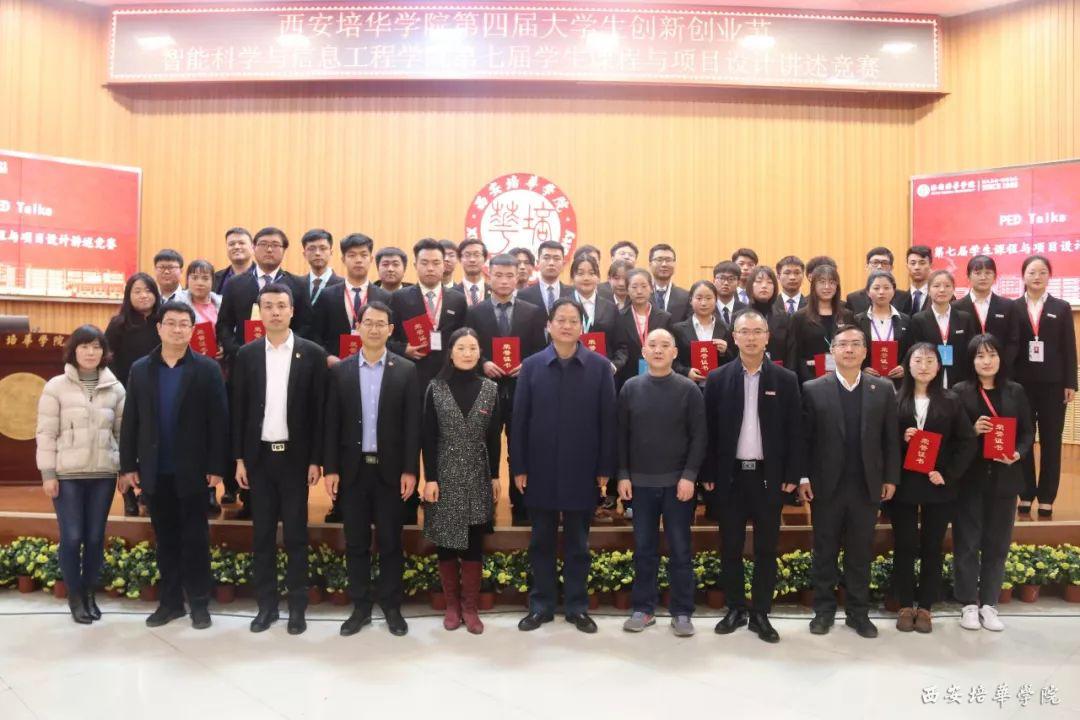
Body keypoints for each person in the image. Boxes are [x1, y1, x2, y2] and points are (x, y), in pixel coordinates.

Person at [118, 301, 228, 630]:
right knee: (165, 540)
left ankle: (199, 603)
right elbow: (131, 421)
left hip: (193, 470)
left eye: (184, 324)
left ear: (192, 331)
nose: (177, 329)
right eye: (171, 323)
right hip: (155, 470)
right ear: (159, 328)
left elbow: (219, 422)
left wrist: (216, 466)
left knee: (195, 539)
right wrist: (128, 465)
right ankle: (170, 604)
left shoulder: (207, 369)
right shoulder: (140, 369)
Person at [512, 298, 616, 634]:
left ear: (582, 327)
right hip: (539, 468)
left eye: (573, 320)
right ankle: (540, 606)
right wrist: (519, 466)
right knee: (540, 541)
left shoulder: (599, 367)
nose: (567, 326)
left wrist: (604, 468)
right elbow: (519, 420)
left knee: (578, 544)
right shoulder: (531, 366)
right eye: (561, 319)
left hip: (582, 468)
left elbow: (608, 421)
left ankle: (576, 607)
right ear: (549, 325)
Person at [231, 284, 327, 635]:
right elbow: (239, 410)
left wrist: (316, 459)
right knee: (262, 537)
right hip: (258, 459)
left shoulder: (312, 353)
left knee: (297, 536)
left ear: (292, 311)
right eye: (268, 306)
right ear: (260, 312)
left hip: (295, 460)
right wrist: (239, 458)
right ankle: (266, 607)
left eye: (281, 306)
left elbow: (319, 411)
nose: (275, 311)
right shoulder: (247, 354)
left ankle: (297, 609)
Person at [704, 309, 802, 643]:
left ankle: (760, 612)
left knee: (766, 548)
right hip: (730, 477)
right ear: (734, 337)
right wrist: (708, 472)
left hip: (768, 477)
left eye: (757, 331)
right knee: (730, 547)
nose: (750, 337)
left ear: (767, 337)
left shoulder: (785, 380)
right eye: (744, 331)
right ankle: (735, 608)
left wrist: (792, 473)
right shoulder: (718, 379)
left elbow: (795, 431)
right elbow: (708, 431)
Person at [324, 301, 419, 637]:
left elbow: (412, 426)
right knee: (356, 543)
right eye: (368, 322)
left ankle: (392, 606)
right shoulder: (341, 371)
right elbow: (331, 424)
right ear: (358, 327)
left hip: (391, 472)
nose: (374, 329)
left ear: (391, 330)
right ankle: (361, 607)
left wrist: (411, 470)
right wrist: (331, 468)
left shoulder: (406, 370)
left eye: (381, 324)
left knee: (391, 541)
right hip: (352, 472)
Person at [800, 325, 899, 639]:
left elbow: (890, 439)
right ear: (832, 351)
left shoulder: (883, 389)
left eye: (856, 344)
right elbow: (804, 440)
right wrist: (803, 477)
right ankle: (823, 612)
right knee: (824, 551)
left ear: (866, 351)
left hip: (866, 486)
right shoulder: (813, 388)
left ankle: (859, 614)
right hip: (826, 486)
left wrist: (890, 477)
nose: (849, 350)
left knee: (860, 553)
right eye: (843, 344)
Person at [35, 325, 125, 624]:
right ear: (73, 350)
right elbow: (46, 432)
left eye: (96, 346)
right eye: (84, 346)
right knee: (72, 537)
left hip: (103, 474)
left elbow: (123, 434)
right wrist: (48, 473)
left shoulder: (116, 388)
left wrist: (124, 469)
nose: (90, 352)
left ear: (104, 352)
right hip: (67, 475)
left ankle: (89, 593)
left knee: (95, 538)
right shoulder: (56, 386)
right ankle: (74, 596)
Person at [618, 329, 706, 637]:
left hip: (678, 485)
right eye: (652, 345)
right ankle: (643, 609)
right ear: (644, 352)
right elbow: (621, 436)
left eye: (665, 345)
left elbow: (699, 436)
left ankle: (682, 612)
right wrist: (623, 474)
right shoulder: (630, 388)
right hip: (640, 484)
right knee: (644, 549)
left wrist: (689, 476)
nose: (658, 350)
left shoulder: (688, 389)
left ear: (674, 353)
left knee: (680, 549)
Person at [891, 343, 977, 634]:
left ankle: (926, 606)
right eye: (918, 360)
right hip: (903, 484)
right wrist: (902, 437)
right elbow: (882, 441)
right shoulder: (895, 399)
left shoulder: (951, 400)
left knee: (932, 546)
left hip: (937, 483)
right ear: (907, 365)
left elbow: (967, 441)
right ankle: (905, 604)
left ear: (939, 366)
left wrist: (948, 474)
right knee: (904, 544)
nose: (924, 366)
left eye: (930, 361)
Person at [422, 328, 502, 634]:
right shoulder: (435, 388)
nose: (467, 353)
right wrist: (430, 478)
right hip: (444, 473)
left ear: (480, 353)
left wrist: (495, 475)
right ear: (451, 353)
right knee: (446, 541)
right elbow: (428, 437)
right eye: (461, 348)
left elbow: (494, 437)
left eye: (473, 348)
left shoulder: (490, 389)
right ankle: (452, 606)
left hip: (478, 472)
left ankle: (470, 607)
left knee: (473, 541)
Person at [953, 334, 1034, 632]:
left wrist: (1018, 453)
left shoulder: (1016, 391)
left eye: (992, 355)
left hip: (1005, 477)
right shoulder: (960, 392)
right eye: (980, 356)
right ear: (971, 361)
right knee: (967, 541)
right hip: (970, 478)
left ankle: (989, 604)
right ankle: (967, 604)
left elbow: (1027, 432)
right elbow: (951, 435)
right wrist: (972, 430)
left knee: (997, 543)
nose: (986, 361)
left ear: (1001, 358)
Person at [388, 238, 468, 523]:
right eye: (425, 263)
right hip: (409, 382)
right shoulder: (400, 298)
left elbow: (464, 341)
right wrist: (404, 350)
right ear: (415, 265)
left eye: (436, 262)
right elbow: (388, 338)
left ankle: (440, 506)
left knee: (442, 445)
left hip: (446, 384)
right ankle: (406, 505)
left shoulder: (457, 300)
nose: (431, 268)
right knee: (408, 442)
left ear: (445, 265)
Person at [465, 254, 546, 525]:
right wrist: (483, 363)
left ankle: (521, 504)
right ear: (489, 276)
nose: (504, 281)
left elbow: (540, 349)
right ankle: (482, 505)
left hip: (522, 389)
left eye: (509, 276)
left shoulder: (532, 311)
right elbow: (468, 347)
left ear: (518, 277)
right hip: (485, 388)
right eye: (498, 275)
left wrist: (527, 364)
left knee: (520, 445)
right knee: (483, 446)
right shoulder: (475, 312)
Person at [1010, 255, 1077, 517]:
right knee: (1023, 439)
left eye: (1042, 272)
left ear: (1049, 276)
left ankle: (1047, 497)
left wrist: (1070, 382)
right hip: (1021, 385)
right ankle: (1025, 494)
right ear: (1023, 276)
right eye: (1031, 272)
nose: (1036, 277)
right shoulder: (1013, 307)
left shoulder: (1061, 307)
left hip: (1053, 385)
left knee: (1051, 440)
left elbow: (1069, 347)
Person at [105, 272, 161, 517]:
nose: (143, 295)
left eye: (148, 290)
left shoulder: (163, 321)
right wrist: (120, 388)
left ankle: (147, 490)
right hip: (125, 392)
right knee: (127, 442)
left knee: (151, 443)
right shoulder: (118, 324)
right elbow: (108, 359)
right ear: (128, 296)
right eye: (137, 291)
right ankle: (128, 494)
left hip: (158, 393)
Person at [216, 226, 312, 362]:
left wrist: (285, 346)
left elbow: (305, 325)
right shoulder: (235, 283)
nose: (269, 249)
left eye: (275, 245)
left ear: (284, 250)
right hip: (242, 358)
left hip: (285, 357)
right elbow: (224, 324)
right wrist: (236, 350)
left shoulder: (298, 284)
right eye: (263, 244)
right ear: (253, 248)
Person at [311, 233, 391, 366]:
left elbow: (390, 336)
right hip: (335, 366)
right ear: (343, 259)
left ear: (371, 259)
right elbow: (315, 334)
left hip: (373, 364)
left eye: (363, 255)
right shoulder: (327, 295)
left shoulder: (385, 297)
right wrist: (327, 357)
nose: (358, 260)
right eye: (352, 255)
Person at [908, 270, 979, 389]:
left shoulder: (965, 318)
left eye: (947, 286)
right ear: (929, 290)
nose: (942, 290)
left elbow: (971, 350)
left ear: (953, 289)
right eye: (936, 286)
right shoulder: (918, 319)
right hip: (929, 379)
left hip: (960, 379)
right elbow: (916, 351)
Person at [786, 264, 853, 384]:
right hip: (809, 379)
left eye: (832, 282)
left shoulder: (847, 316)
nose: (827, 287)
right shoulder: (799, 317)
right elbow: (793, 356)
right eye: (822, 282)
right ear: (814, 286)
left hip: (843, 377)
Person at [612, 269, 674, 392]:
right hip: (628, 378)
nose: (639, 291)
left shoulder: (664, 318)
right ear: (627, 290)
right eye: (634, 287)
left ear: (651, 288)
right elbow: (619, 348)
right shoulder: (619, 317)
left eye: (644, 286)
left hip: (659, 377)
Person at [952, 255, 1016, 364]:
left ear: (995, 276)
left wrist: (1002, 364)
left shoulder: (1008, 306)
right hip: (967, 368)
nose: (983, 277)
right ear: (968, 276)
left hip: (1000, 367)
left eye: (988, 273)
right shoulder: (955, 307)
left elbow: (1013, 341)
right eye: (978, 273)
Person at [853, 271, 911, 384]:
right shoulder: (857, 321)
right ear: (868, 292)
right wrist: (862, 368)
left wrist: (904, 366)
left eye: (886, 288)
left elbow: (911, 348)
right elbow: (854, 349)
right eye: (876, 288)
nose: (881, 292)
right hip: (867, 381)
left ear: (894, 291)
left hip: (897, 382)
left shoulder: (905, 320)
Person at [673, 280, 733, 383]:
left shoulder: (726, 329)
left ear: (716, 300)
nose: (704, 303)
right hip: (688, 385)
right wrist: (686, 372)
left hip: (718, 385)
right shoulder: (678, 329)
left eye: (708, 298)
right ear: (691, 300)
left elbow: (734, 362)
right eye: (699, 298)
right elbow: (673, 361)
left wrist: (725, 352)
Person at [570, 254, 620, 359]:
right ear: (572, 278)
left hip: (604, 365)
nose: (586, 278)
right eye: (580, 273)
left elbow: (620, 345)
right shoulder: (562, 307)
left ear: (598, 278)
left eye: (591, 273)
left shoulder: (610, 308)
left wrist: (613, 365)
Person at [845, 247, 911, 316]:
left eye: (884, 263)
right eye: (875, 262)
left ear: (891, 268)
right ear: (867, 267)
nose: (879, 267)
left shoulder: (904, 297)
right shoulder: (853, 298)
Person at [747, 266, 791, 365]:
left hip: (778, 371)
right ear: (750, 286)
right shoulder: (739, 317)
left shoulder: (785, 317)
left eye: (769, 282)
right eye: (759, 281)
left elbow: (791, 352)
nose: (764, 286)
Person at [517, 241, 572, 312]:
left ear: (563, 264)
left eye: (556, 258)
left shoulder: (573, 293)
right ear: (538, 262)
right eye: (546, 258)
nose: (551, 263)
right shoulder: (523, 295)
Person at [647, 243, 690, 322]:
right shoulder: (641, 295)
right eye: (659, 260)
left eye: (668, 260)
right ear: (650, 264)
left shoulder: (686, 297)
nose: (664, 264)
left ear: (674, 264)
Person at [176, 260, 222, 330]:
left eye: (205, 278)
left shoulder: (222, 303)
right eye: (194, 278)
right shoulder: (177, 302)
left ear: (212, 281)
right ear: (187, 280)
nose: (200, 283)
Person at [301, 228, 342, 305]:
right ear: (304, 254)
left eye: (323, 248)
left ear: (331, 252)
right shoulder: (297, 285)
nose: (317, 253)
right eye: (312, 249)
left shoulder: (343, 286)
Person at [213, 227, 255, 293]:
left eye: (241, 243)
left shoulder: (264, 277)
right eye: (231, 244)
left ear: (252, 247)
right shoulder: (214, 278)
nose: (236, 247)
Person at [454, 238, 491, 307]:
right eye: (467, 255)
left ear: (485, 259)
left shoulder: (495, 293)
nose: (472, 259)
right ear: (460, 259)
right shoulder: (451, 294)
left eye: (477, 255)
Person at [712, 261, 747, 327]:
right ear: (714, 281)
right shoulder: (708, 308)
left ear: (738, 283)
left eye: (731, 279)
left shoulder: (746, 310)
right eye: (721, 278)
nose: (726, 283)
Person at [904, 245, 933, 315]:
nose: (917, 267)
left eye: (922, 263)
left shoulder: (940, 297)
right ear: (907, 266)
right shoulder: (899, 299)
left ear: (930, 265)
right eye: (913, 263)